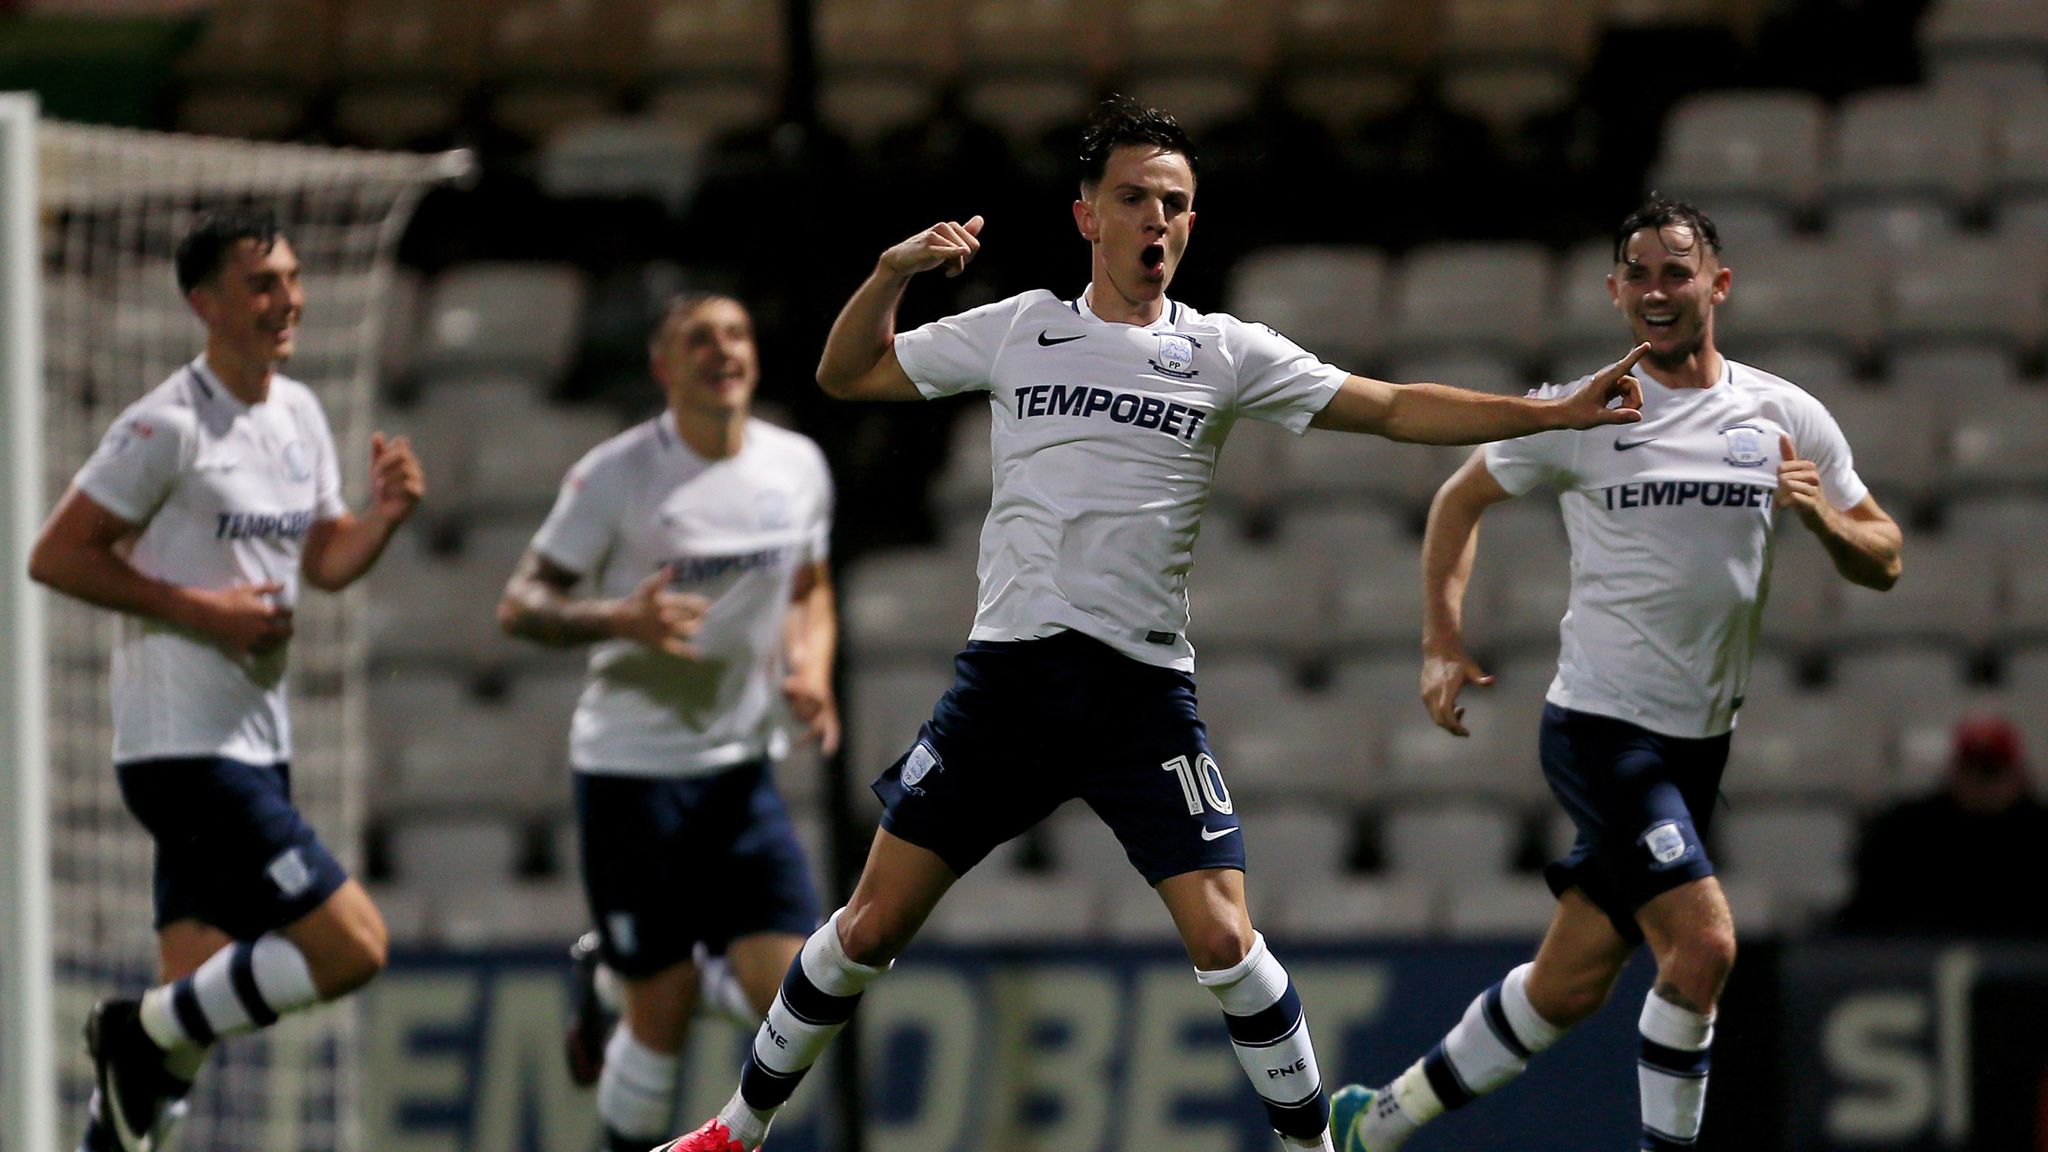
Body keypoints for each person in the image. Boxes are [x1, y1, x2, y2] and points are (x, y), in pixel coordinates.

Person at [657, 95, 1650, 1152]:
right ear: (1087, 216)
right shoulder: (1020, 328)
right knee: (867, 925)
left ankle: (1311, 1147)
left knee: (1224, 935)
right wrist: (891, 273)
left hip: (1136, 696)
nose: (1156, 220)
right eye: (1133, 198)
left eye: (1174, 203)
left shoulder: (1225, 353)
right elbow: (844, 372)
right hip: (1006, 686)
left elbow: (1393, 406)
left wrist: (1546, 413)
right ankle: (733, 1132)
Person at [1328, 195, 1904, 1152]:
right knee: (1705, 945)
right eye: (1637, 274)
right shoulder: (1585, 412)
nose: (1656, 290)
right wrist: (1440, 635)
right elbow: (1458, 498)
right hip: (1602, 731)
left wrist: (1827, 523)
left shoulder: (1781, 412)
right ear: (1613, 292)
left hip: (1697, 746)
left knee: (1566, 987)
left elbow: (1883, 558)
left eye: (1676, 271)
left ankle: (1375, 1124)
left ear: (1718, 285)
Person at [28, 208, 425, 1152]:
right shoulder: (167, 425)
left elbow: (323, 558)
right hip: (184, 753)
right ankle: (135, 1031)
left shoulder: (298, 413)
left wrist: (386, 518)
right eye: (261, 283)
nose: (287, 299)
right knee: (352, 948)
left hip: (256, 745)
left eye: (290, 278)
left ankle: (135, 1071)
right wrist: (206, 612)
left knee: (171, 1064)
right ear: (202, 302)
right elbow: (57, 555)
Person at [496, 291, 840, 1152]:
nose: (722, 351)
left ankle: (615, 977)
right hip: (633, 774)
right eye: (699, 339)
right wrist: (618, 619)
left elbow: (810, 588)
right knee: (664, 1009)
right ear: (663, 365)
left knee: (798, 1005)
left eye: (736, 334)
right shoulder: (616, 474)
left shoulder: (796, 463)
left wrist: (812, 668)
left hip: (739, 771)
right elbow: (521, 604)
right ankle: (628, 991)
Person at [1839, 713, 2048, 938]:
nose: (1979, 783)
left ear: (2018, 775)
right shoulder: (1906, 830)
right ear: (1953, 772)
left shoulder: (2039, 832)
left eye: (1990, 771)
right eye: (1970, 769)